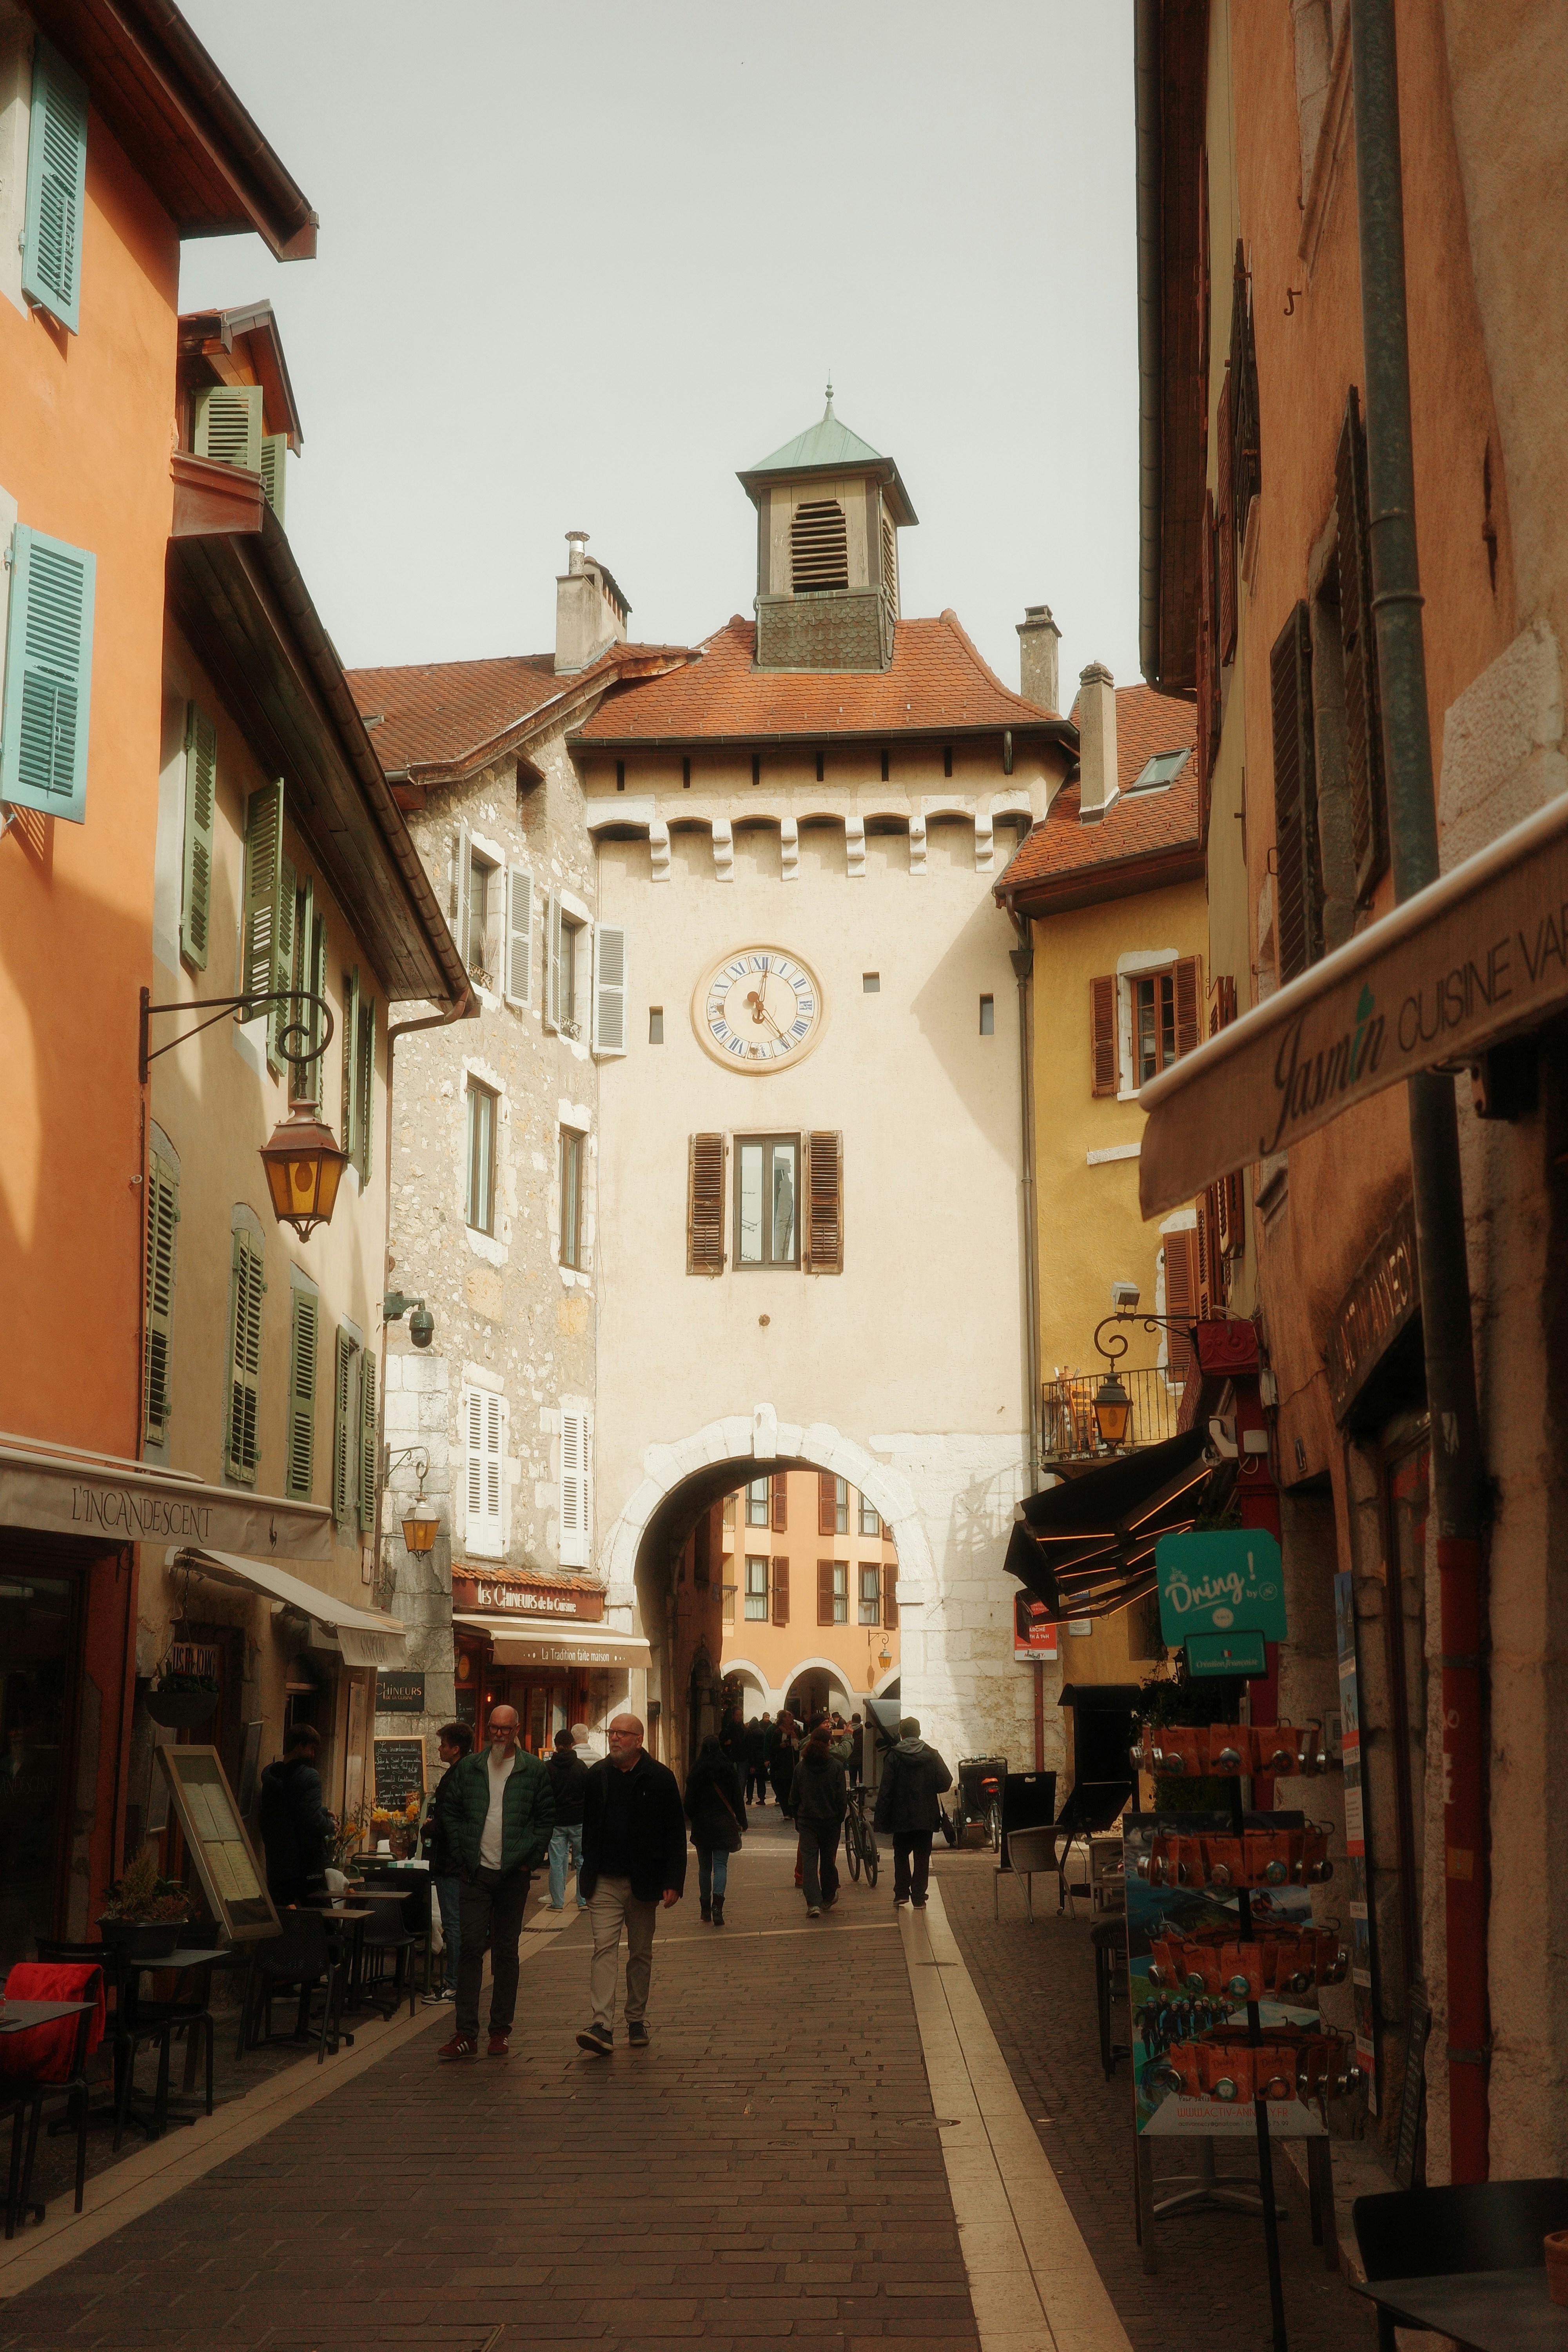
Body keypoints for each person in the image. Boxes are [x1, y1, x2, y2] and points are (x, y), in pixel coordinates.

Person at [437, 1704, 554, 2060]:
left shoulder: (533, 1770)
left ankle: (500, 2031)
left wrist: (529, 1860)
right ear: (487, 1730)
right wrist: (462, 1854)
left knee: (506, 1952)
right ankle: (465, 2032)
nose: (499, 1734)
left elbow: (545, 1818)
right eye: (494, 1728)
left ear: (517, 1729)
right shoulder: (471, 1768)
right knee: (470, 1948)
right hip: (475, 1873)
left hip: (512, 1875)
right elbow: (451, 1812)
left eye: (506, 1729)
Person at [575, 1713, 687, 2055]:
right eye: (612, 1733)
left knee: (640, 1952)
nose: (614, 1739)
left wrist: (673, 1881)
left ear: (639, 1740)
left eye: (622, 1734)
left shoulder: (660, 1778)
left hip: (644, 1882)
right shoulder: (597, 1777)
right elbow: (588, 1827)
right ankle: (602, 2025)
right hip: (604, 1881)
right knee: (604, 1949)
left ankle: (636, 2019)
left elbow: (675, 1834)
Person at [873, 1716, 953, 1911]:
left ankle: (901, 1894)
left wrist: (881, 1821)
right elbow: (946, 1781)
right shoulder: (932, 1754)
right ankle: (919, 1897)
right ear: (918, 1733)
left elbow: (886, 1790)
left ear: (902, 1733)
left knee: (901, 1854)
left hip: (900, 1816)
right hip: (926, 1815)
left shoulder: (893, 1756)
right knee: (922, 1856)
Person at [420, 1719, 473, 2002]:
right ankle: (458, 1981)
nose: (439, 1750)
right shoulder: (469, 1774)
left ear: (455, 1749)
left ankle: (453, 1984)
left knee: (452, 1924)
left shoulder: (454, 1778)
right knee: (457, 1923)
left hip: (450, 1861)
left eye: (443, 1745)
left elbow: (449, 1821)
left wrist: (429, 1826)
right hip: (460, 1860)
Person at [258, 1726, 334, 1908]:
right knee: (321, 1918)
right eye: (312, 1748)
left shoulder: (271, 1777)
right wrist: (330, 1825)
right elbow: (312, 1822)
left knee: (284, 1919)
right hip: (305, 1864)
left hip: (278, 1864)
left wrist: (321, 1811)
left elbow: (290, 1811)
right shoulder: (309, 1777)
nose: (313, 1755)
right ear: (300, 1746)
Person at [683, 1733, 746, 1924]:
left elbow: (688, 1804)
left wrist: (694, 1818)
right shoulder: (728, 1769)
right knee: (721, 1866)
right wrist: (743, 1821)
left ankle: (704, 1909)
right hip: (724, 1824)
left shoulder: (696, 1772)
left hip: (703, 1825)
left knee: (704, 1868)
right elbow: (737, 1798)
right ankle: (717, 1907)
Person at [793, 1725, 847, 1917]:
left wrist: (798, 1818)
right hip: (830, 1822)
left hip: (808, 1822)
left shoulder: (801, 1768)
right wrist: (839, 1818)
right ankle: (828, 1896)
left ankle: (813, 1903)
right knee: (827, 1860)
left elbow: (794, 1797)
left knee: (809, 1861)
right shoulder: (836, 1767)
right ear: (828, 1744)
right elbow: (842, 1798)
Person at [544, 1726, 591, 1911]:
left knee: (556, 1862)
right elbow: (588, 1794)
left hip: (557, 1822)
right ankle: (582, 1900)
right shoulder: (580, 1767)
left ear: (555, 1746)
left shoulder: (548, 1768)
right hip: (579, 1821)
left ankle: (557, 1903)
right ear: (572, 1744)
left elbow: (545, 1796)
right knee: (581, 1861)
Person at [770, 1710, 799, 1815]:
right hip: (782, 1765)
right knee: (783, 1790)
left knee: (794, 1789)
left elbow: (801, 1743)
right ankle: (786, 1812)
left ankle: (793, 1810)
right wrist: (780, 1746)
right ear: (783, 1719)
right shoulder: (777, 1732)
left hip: (795, 1764)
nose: (791, 1718)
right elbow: (772, 1748)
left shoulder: (797, 1730)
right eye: (789, 1716)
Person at [743, 1713, 771, 1807]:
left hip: (752, 1760)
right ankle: (762, 1799)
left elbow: (749, 1749)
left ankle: (749, 1800)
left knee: (750, 1781)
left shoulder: (749, 1733)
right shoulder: (762, 1733)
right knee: (761, 1781)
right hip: (761, 1759)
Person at [848, 1713, 866, 1788]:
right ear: (860, 1720)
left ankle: (853, 1794)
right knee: (862, 1780)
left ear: (852, 1720)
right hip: (861, 1759)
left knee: (852, 1779)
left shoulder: (849, 1731)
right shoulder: (863, 1731)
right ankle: (862, 1796)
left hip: (851, 1759)